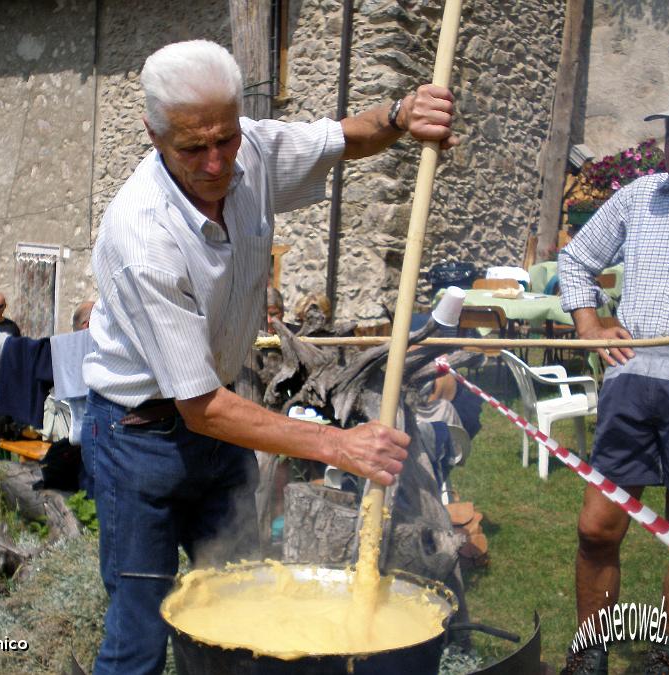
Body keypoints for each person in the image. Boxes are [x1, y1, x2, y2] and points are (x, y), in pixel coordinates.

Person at [81, 39, 458, 675]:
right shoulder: (142, 237)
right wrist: (339, 446)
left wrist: (400, 115)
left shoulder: (246, 149)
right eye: (192, 148)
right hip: (137, 439)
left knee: (238, 616)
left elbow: (342, 139)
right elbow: (199, 406)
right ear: (152, 134)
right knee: (139, 633)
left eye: (224, 138)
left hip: (220, 427)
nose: (215, 162)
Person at [557, 85, 669, 675]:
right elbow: (577, 261)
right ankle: (590, 651)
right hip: (631, 382)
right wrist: (589, 324)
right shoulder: (637, 198)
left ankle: (667, 660)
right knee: (597, 527)